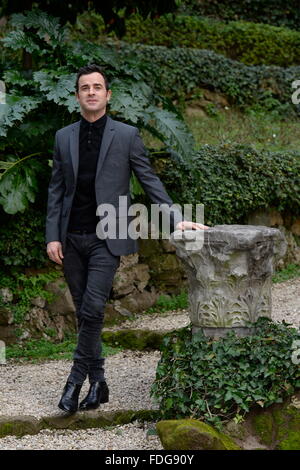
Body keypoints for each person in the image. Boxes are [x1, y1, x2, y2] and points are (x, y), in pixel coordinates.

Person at [46, 64, 207, 414]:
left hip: (111, 235)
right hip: (71, 239)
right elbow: (57, 191)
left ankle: (75, 381)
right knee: (87, 316)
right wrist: (52, 237)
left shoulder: (126, 135)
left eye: (97, 87)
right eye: (84, 87)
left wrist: (177, 219)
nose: (91, 92)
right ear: (77, 95)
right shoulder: (63, 137)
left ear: (108, 94)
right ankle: (100, 381)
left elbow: (149, 181)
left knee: (91, 309)